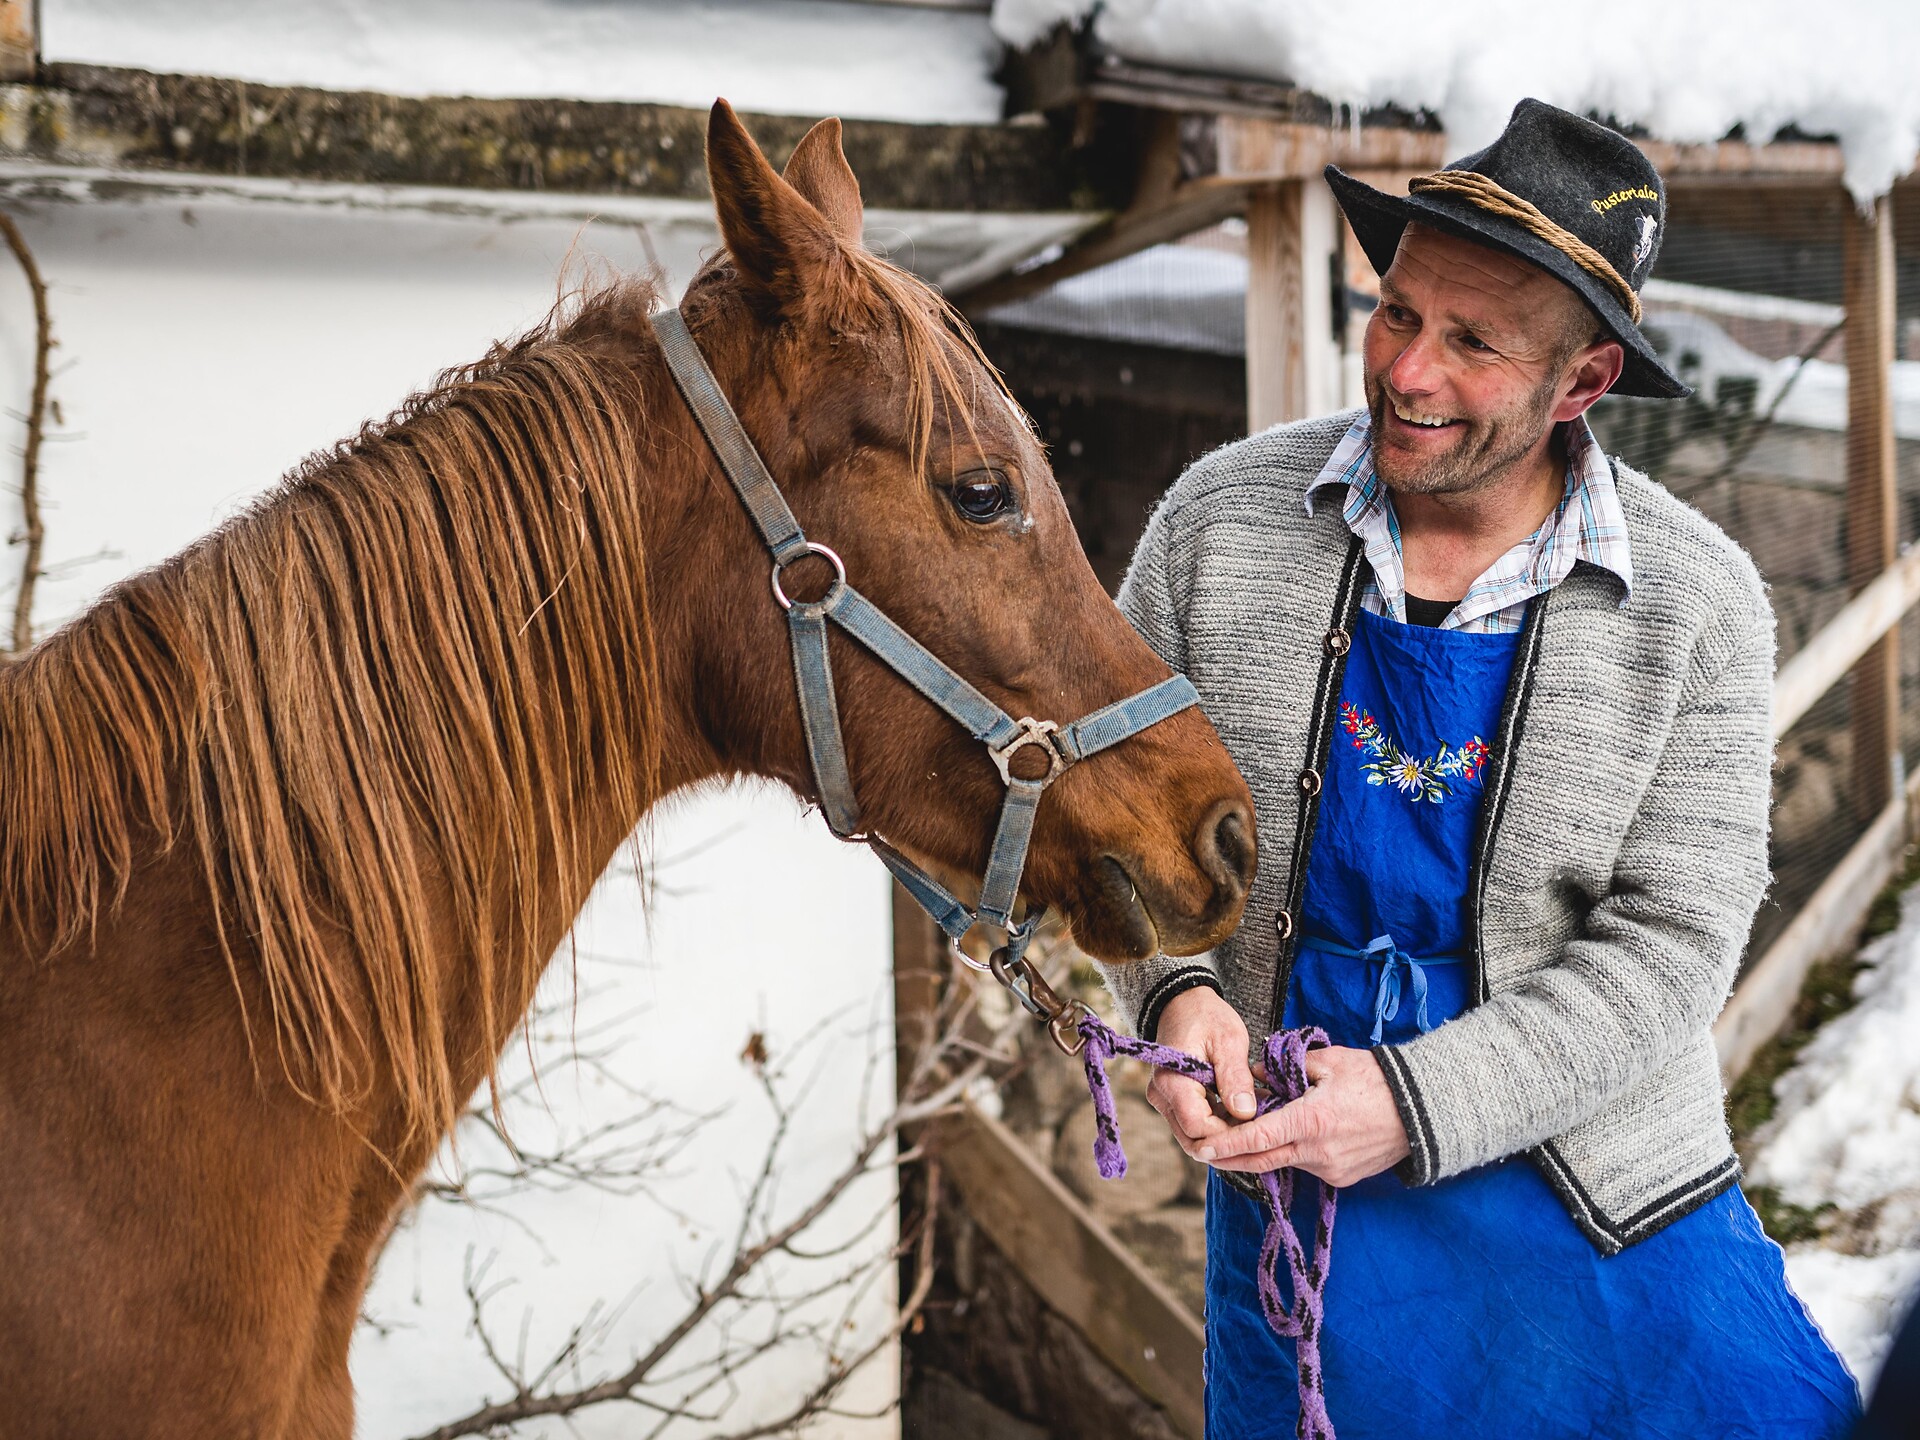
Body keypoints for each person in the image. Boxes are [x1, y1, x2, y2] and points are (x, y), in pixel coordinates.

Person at [1102, 98, 1862, 1437]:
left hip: (1595, 1188)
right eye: (1397, 312)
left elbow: (1675, 947)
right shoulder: (1218, 527)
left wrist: (1413, 1099)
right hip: (1304, 1212)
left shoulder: (1698, 603)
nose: (1407, 371)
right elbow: (1125, 826)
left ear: (1583, 383)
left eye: (1473, 343)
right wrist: (1175, 993)